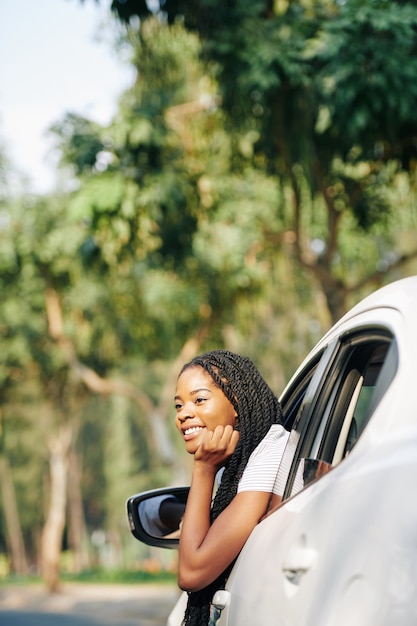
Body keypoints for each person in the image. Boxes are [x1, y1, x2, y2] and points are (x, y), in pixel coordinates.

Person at [173, 350, 290, 626]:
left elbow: (192, 572)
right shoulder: (256, 458)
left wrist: (203, 469)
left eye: (199, 400)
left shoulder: (272, 451)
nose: (184, 415)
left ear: (237, 402)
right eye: (178, 405)